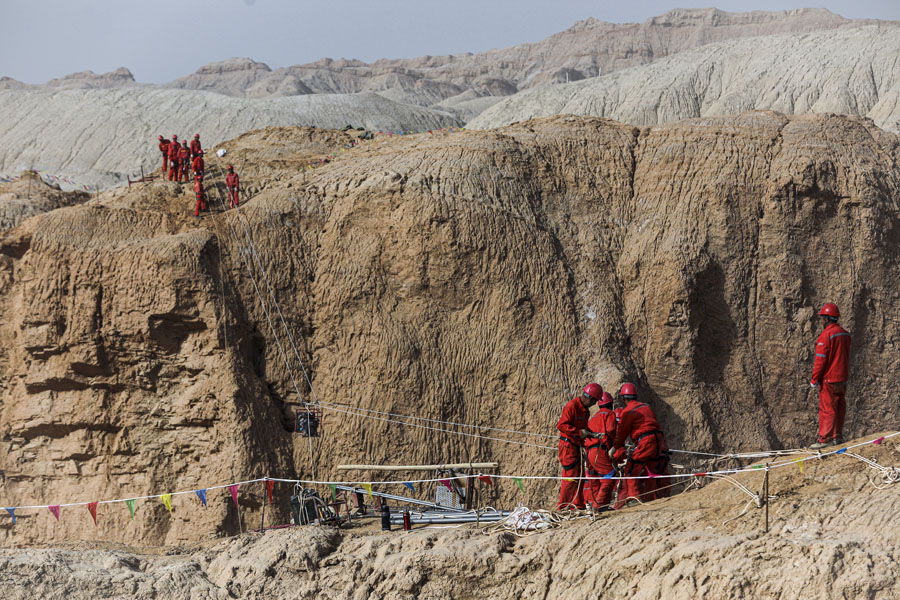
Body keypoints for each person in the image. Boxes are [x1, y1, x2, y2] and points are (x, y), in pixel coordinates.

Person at [611, 383, 670, 509]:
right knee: (651, 468)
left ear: (623, 398)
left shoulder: (628, 412)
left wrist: (615, 446)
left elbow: (621, 433)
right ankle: (651, 498)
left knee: (631, 469)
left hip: (646, 440)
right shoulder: (646, 407)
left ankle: (634, 498)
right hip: (658, 440)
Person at [810, 303, 851, 449]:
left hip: (829, 378)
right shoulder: (845, 334)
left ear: (827, 318)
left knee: (827, 409)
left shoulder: (826, 336)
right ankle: (836, 437)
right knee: (839, 407)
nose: (821, 321)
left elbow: (820, 361)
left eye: (822, 318)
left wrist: (814, 379)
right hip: (842, 377)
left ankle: (825, 439)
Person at [556, 382, 601, 510]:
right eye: (594, 401)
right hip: (568, 446)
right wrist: (579, 432)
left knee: (580, 476)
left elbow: (583, 427)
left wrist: (592, 434)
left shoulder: (585, 411)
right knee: (570, 476)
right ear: (590, 398)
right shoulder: (572, 406)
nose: (594, 404)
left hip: (577, 446)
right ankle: (563, 506)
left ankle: (578, 504)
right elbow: (561, 425)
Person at [584, 391, 617, 509]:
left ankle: (593, 504)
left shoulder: (594, 417)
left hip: (589, 452)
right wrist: (612, 445)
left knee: (594, 479)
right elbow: (611, 429)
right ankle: (599, 505)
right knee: (609, 476)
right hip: (599, 450)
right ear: (611, 404)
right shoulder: (609, 414)